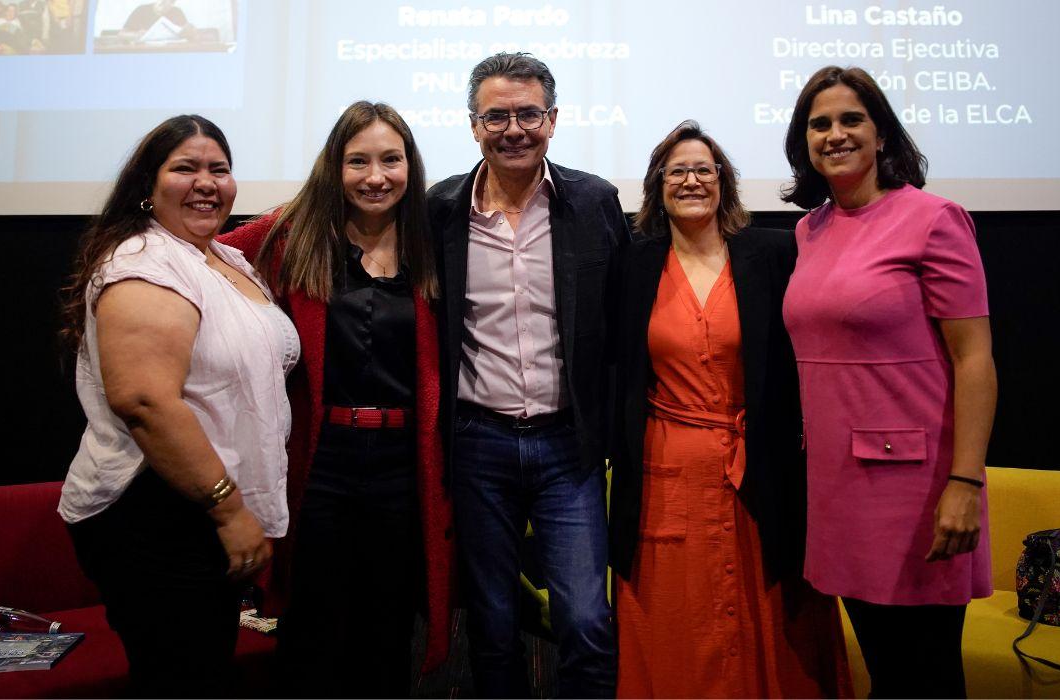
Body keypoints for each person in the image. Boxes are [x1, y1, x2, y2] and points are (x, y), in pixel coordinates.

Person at [57, 114, 299, 698]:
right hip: (157, 510)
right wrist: (228, 511)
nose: (207, 182)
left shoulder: (222, 259)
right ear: (148, 183)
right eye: (185, 168)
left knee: (204, 670)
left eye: (219, 169)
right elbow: (144, 401)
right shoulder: (145, 261)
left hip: (193, 510)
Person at [609, 120, 852, 699]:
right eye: (678, 171)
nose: (691, 180)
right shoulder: (634, 265)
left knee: (772, 616)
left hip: (761, 471)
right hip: (667, 476)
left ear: (723, 181)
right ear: (657, 185)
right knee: (677, 621)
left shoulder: (773, 253)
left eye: (704, 169)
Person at [217, 101, 452, 698]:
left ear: (410, 166)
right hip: (321, 463)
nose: (376, 176)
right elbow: (204, 253)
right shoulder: (287, 237)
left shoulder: (435, 241)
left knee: (389, 626)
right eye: (359, 161)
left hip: (405, 467)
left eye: (391, 160)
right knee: (312, 624)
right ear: (335, 168)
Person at [780, 65, 998, 698]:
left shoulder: (934, 219)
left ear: (882, 135)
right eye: (819, 124)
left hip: (916, 488)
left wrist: (966, 482)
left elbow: (976, 359)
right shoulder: (810, 229)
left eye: (852, 120)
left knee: (925, 679)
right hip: (837, 486)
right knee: (885, 672)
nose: (835, 134)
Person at [427, 52, 625, 698]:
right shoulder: (441, 209)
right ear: (473, 124)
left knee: (585, 617)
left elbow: (623, 318)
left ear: (554, 119)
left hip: (567, 444)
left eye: (528, 114)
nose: (513, 129)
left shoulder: (593, 202)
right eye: (496, 116)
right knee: (491, 619)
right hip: (477, 443)